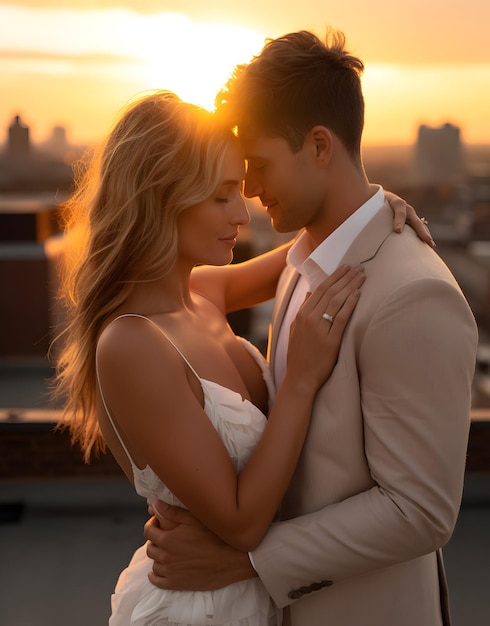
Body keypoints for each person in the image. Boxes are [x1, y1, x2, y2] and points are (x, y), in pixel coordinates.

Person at [143, 31, 479, 626]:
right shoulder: (306, 258)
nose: (247, 190)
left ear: (319, 146)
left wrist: (247, 561)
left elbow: (420, 511)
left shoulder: (413, 294)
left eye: (260, 165)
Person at [53, 88, 373, 626]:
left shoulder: (204, 292)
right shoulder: (132, 344)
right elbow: (244, 523)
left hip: (259, 593)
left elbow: (311, 253)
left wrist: (376, 212)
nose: (242, 215)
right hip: (200, 611)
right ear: (162, 197)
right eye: (222, 195)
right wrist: (300, 379)